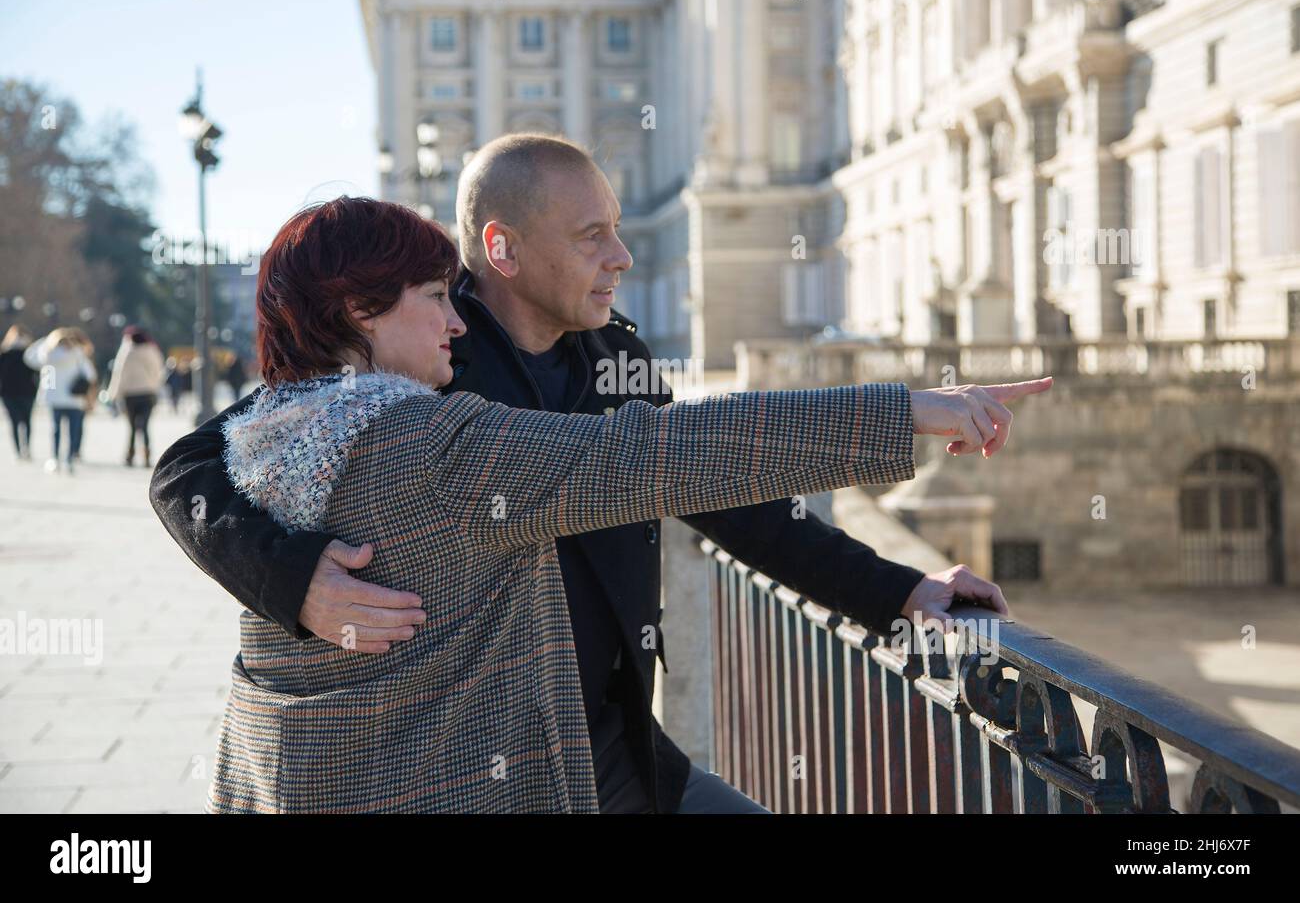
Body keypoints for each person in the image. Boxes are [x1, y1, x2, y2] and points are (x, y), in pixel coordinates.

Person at [152, 139, 1049, 813]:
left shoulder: (609, 354)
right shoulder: (415, 383)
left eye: (619, 230)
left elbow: (721, 491)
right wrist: (291, 579)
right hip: (489, 760)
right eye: (593, 236)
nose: (621, 256)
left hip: (608, 743)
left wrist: (900, 590)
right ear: (501, 251)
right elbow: (191, 464)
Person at [24, 326, 97, 473]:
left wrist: (45, 340)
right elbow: (91, 375)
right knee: (72, 431)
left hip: (55, 400)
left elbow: (29, 357)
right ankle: (69, 459)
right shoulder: (78, 354)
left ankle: (55, 458)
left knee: (56, 430)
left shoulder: (48, 355)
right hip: (74, 399)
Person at [105, 325, 166, 467]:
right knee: (145, 426)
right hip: (148, 393)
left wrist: (113, 394)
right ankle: (147, 455)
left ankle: (130, 455)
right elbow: (159, 372)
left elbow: (119, 374)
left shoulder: (126, 351)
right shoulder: (152, 351)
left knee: (132, 427)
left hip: (130, 394)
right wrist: (155, 386)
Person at [0, 323, 39, 460]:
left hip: (9, 392)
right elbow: (40, 372)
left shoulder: (5, 353)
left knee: (15, 422)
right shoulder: (30, 353)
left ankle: (19, 451)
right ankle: (25, 449)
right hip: (26, 391)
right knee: (26, 422)